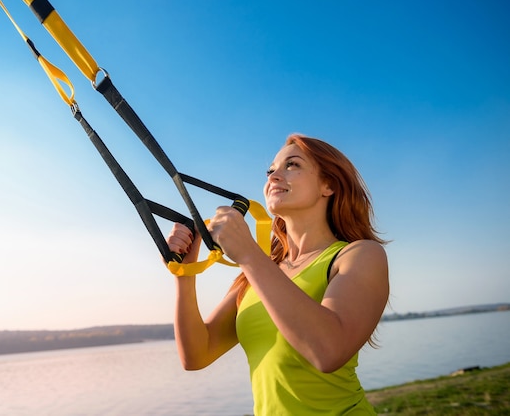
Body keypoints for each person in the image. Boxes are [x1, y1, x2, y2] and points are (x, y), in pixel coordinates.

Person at [166, 133, 389, 415]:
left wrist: (248, 254)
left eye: (292, 165)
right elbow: (197, 355)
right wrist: (185, 273)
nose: (273, 176)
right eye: (270, 170)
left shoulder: (360, 255)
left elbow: (328, 352)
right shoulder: (259, 272)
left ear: (328, 184)